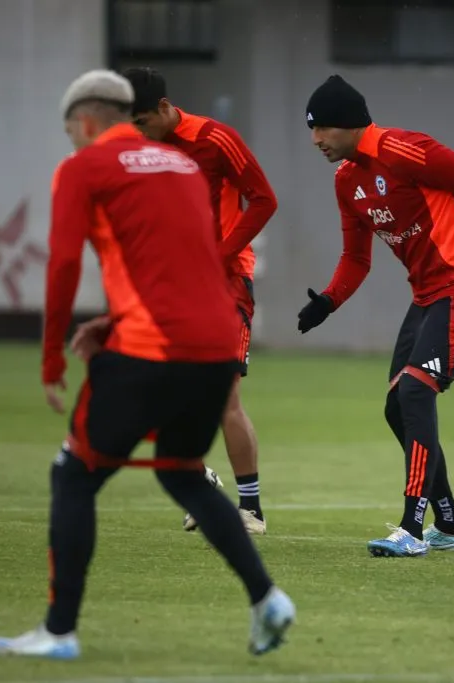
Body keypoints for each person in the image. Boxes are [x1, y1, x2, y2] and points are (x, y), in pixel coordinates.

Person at [0, 70, 293, 660]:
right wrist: (116, 320)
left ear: (84, 122)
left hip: (154, 346)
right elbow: (190, 258)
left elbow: (62, 266)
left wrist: (53, 354)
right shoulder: (178, 167)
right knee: (180, 471)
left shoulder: (82, 169)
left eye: (70, 131)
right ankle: (267, 599)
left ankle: (58, 631)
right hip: (215, 337)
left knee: (73, 474)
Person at [299, 75, 454, 557]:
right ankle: (449, 527)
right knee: (397, 407)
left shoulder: (406, 150)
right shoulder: (347, 181)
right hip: (427, 298)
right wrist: (328, 301)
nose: (315, 140)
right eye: (311, 130)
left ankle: (411, 529)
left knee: (416, 391)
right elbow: (356, 260)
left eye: (322, 129)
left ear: (349, 123)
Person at [123, 66, 277, 535]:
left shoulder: (216, 139)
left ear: (166, 109)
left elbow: (264, 199)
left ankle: (250, 510)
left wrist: (220, 255)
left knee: (224, 395)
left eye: (144, 123)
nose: (140, 135)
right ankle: (200, 483)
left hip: (225, 283)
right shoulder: (142, 153)